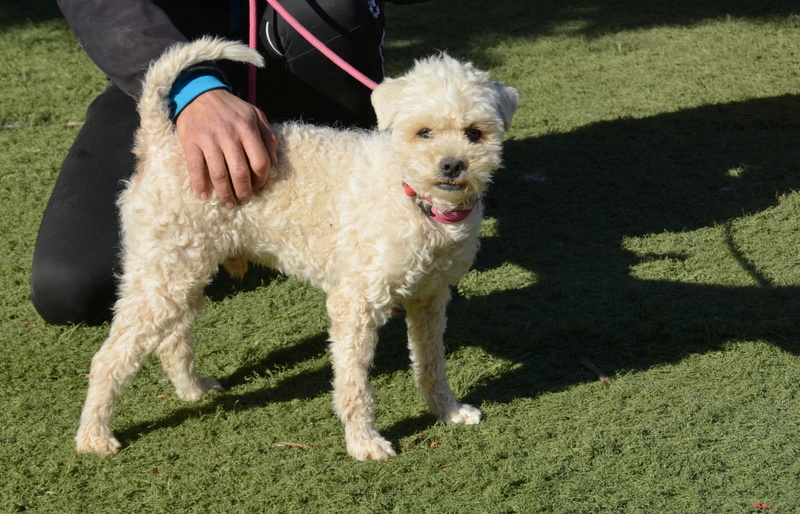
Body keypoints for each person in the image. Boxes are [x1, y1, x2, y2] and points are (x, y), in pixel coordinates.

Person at [31, 0, 426, 326]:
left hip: (303, 45)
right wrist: (193, 91)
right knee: (69, 289)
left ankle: (357, 224)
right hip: (171, 57)